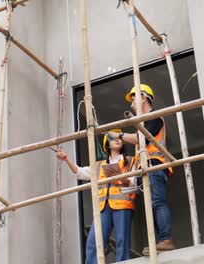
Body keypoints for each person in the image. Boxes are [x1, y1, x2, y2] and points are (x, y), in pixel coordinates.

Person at [108, 84, 176, 255]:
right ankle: (159, 242)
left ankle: (166, 239)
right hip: (146, 168)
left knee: (157, 202)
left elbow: (141, 139)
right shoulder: (144, 122)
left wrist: (120, 135)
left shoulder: (154, 118)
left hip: (154, 164)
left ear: (143, 98)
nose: (131, 105)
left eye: (133, 100)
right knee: (151, 205)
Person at [56, 129, 135, 263]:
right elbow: (80, 172)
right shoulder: (99, 166)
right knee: (93, 242)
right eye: (112, 138)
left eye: (119, 138)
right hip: (103, 208)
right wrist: (66, 159)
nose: (117, 139)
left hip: (122, 205)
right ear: (107, 144)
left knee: (122, 240)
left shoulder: (129, 161)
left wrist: (120, 177)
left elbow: (134, 183)